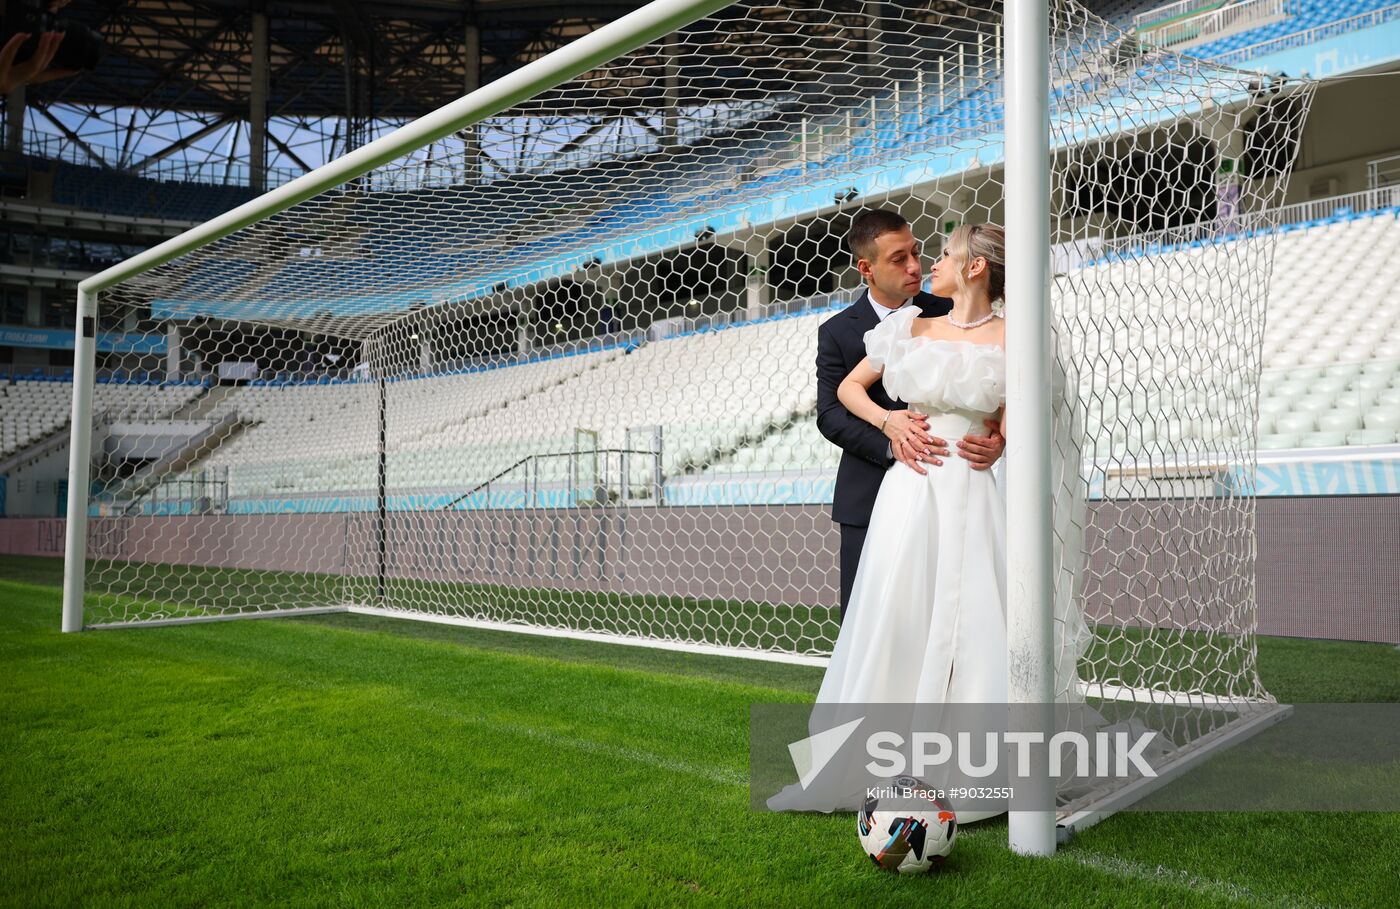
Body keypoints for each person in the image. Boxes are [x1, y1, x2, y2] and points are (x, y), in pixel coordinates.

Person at [815, 208, 1004, 623]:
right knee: (872, 625)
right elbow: (829, 412)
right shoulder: (837, 331)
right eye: (899, 258)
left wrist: (1000, 438)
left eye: (917, 252)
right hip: (869, 493)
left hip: (955, 485)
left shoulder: (948, 308)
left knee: (955, 615)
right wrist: (889, 429)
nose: (916, 266)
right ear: (866, 268)